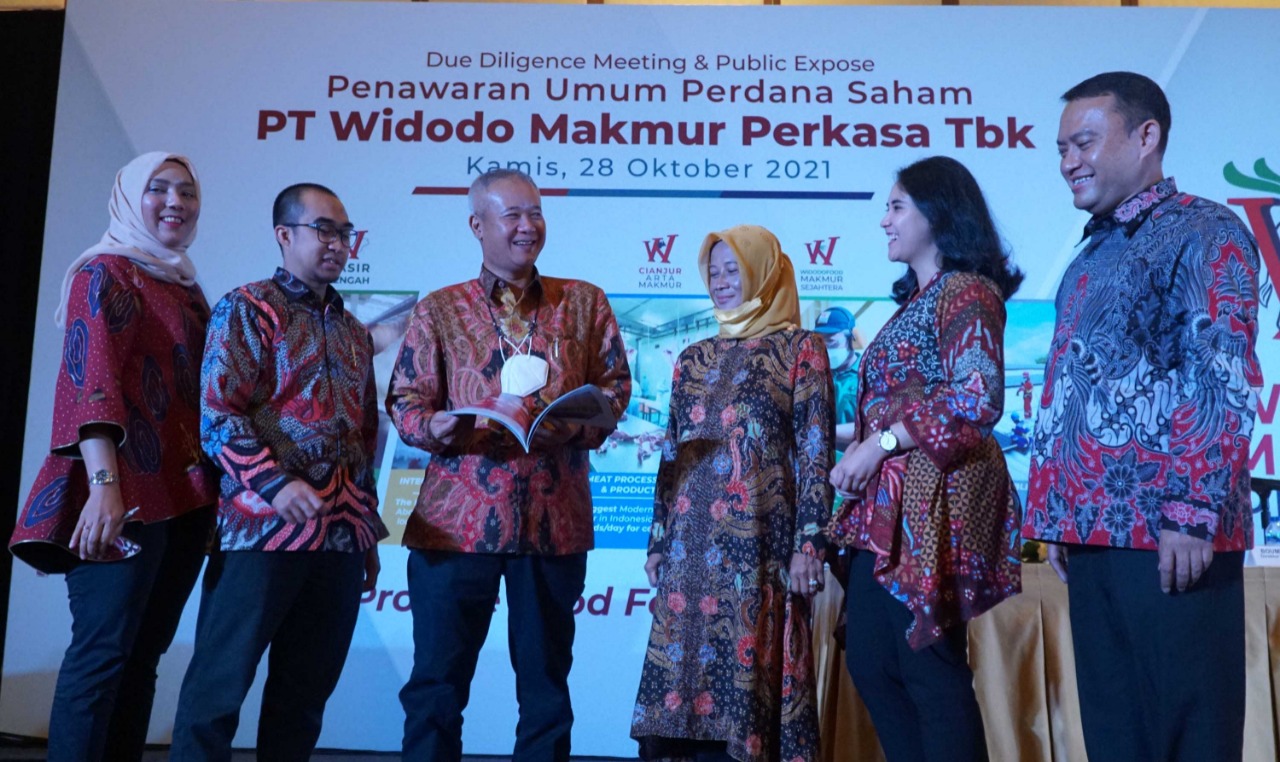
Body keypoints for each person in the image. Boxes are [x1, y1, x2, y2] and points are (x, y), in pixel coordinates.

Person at [1023, 71, 1262, 762]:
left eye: (1084, 142)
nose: (1069, 161)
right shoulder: (1092, 251)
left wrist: (1191, 510)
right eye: (1061, 148)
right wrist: (1059, 513)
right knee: (1116, 736)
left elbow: (1219, 375)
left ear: (1146, 135)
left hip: (1171, 533)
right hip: (1093, 533)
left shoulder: (1205, 230)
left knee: (1188, 733)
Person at [386, 168, 631, 761]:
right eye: (513, 215)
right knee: (436, 685)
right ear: (477, 225)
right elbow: (405, 400)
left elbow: (616, 388)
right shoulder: (441, 309)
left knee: (546, 688)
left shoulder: (584, 302)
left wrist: (569, 421)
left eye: (536, 213)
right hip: (455, 525)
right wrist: (431, 427)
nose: (528, 226)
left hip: (554, 522)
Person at [9, 152, 217, 762]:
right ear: (128, 198)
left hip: (180, 497)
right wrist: (104, 486)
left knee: (144, 656)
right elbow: (89, 383)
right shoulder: (104, 272)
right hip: (118, 494)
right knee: (101, 655)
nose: (176, 202)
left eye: (187, 191)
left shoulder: (184, 285)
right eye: (159, 189)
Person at [170, 182, 387, 759]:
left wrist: (367, 533)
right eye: (324, 229)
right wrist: (275, 482)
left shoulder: (352, 331)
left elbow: (364, 435)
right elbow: (218, 416)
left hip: (339, 537)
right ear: (284, 235)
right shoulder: (248, 308)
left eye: (345, 232)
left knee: (304, 699)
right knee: (217, 693)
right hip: (260, 531)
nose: (337, 243)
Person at [827, 155, 1023, 762]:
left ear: (937, 214)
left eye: (896, 206)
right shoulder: (919, 299)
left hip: (932, 508)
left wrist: (880, 445)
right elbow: (894, 409)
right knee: (872, 660)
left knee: (926, 669)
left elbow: (978, 396)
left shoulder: (966, 290)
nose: (884, 220)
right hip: (888, 509)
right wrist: (836, 436)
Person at [630, 224, 834, 762]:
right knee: (679, 695)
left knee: (744, 694)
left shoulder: (801, 350)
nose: (721, 282)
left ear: (763, 275)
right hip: (687, 554)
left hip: (757, 549)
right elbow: (671, 455)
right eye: (713, 272)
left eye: (733, 271)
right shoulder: (692, 358)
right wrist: (658, 541)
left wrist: (809, 545)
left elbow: (816, 454)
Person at [813, 305, 862, 449]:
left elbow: (872, 427)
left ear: (852, 339)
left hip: (855, 457)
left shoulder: (867, 375)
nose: (826, 349)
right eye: (820, 342)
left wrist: (820, 431)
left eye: (832, 342)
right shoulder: (813, 375)